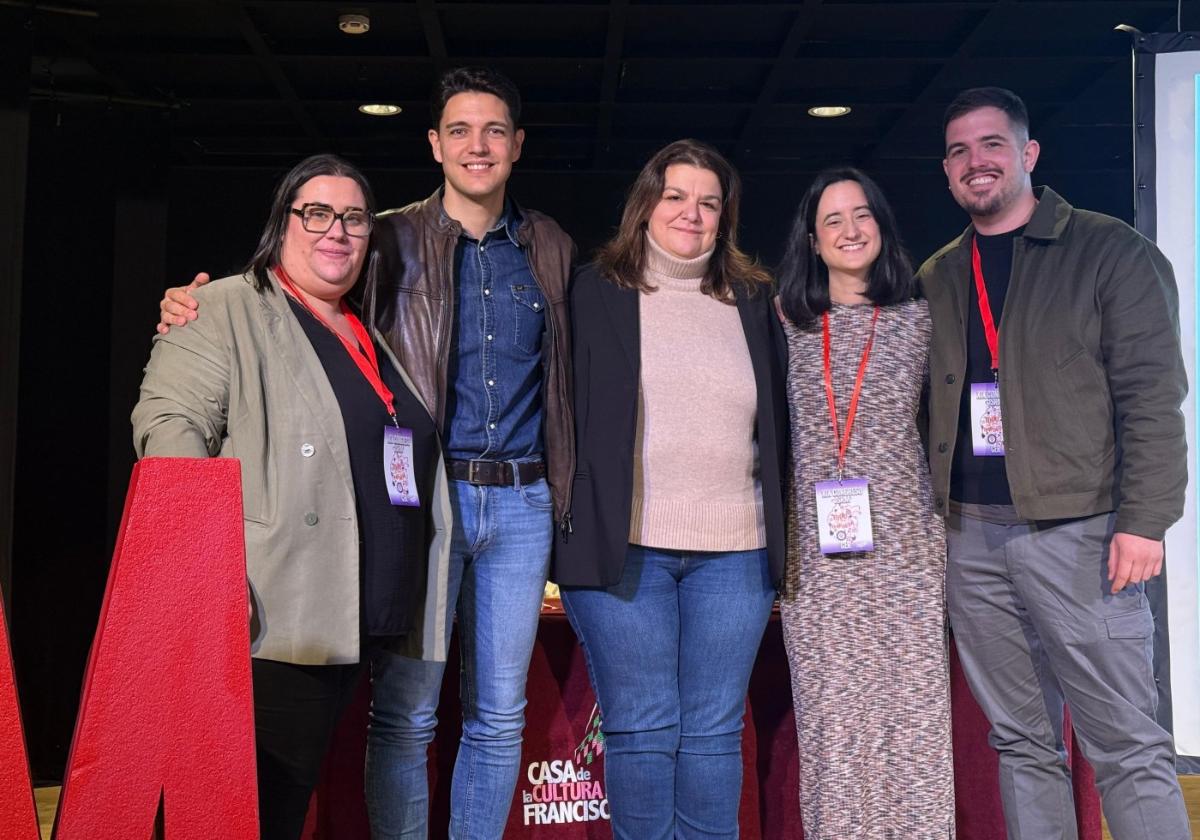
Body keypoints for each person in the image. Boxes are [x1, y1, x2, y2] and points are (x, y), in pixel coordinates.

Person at [155, 67, 575, 840]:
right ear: (434, 144)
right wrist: (193, 304)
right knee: (407, 714)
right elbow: (296, 287)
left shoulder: (549, 245)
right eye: (459, 130)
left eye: (493, 131)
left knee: (499, 715)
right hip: (430, 499)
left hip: (521, 503)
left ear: (516, 145)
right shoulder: (385, 235)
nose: (476, 146)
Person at [132, 154, 452, 840]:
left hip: (354, 622)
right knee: (246, 814)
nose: (336, 231)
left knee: (280, 803)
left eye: (355, 218)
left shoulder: (365, 330)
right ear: (282, 224)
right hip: (266, 618)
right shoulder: (219, 306)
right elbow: (168, 430)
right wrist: (209, 577)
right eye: (317, 213)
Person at [920, 86, 1190, 839]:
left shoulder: (1111, 251)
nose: (977, 162)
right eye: (959, 151)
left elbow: (1153, 397)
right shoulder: (939, 275)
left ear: (1029, 154)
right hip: (970, 540)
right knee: (1020, 743)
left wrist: (1145, 521)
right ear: (946, 171)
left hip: (1083, 534)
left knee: (1127, 745)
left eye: (993, 144)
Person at [554, 139, 787, 840]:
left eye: (709, 202)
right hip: (623, 548)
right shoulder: (591, 291)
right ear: (646, 204)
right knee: (644, 728)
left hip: (737, 552)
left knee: (715, 732)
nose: (693, 213)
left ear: (726, 216)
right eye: (677, 196)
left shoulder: (756, 299)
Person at [775, 167, 953, 838]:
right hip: (817, 566)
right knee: (834, 729)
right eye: (833, 221)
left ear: (881, 224)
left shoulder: (920, 319)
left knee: (914, 724)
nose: (850, 231)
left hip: (907, 552)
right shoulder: (784, 325)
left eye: (862, 215)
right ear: (813, 242)